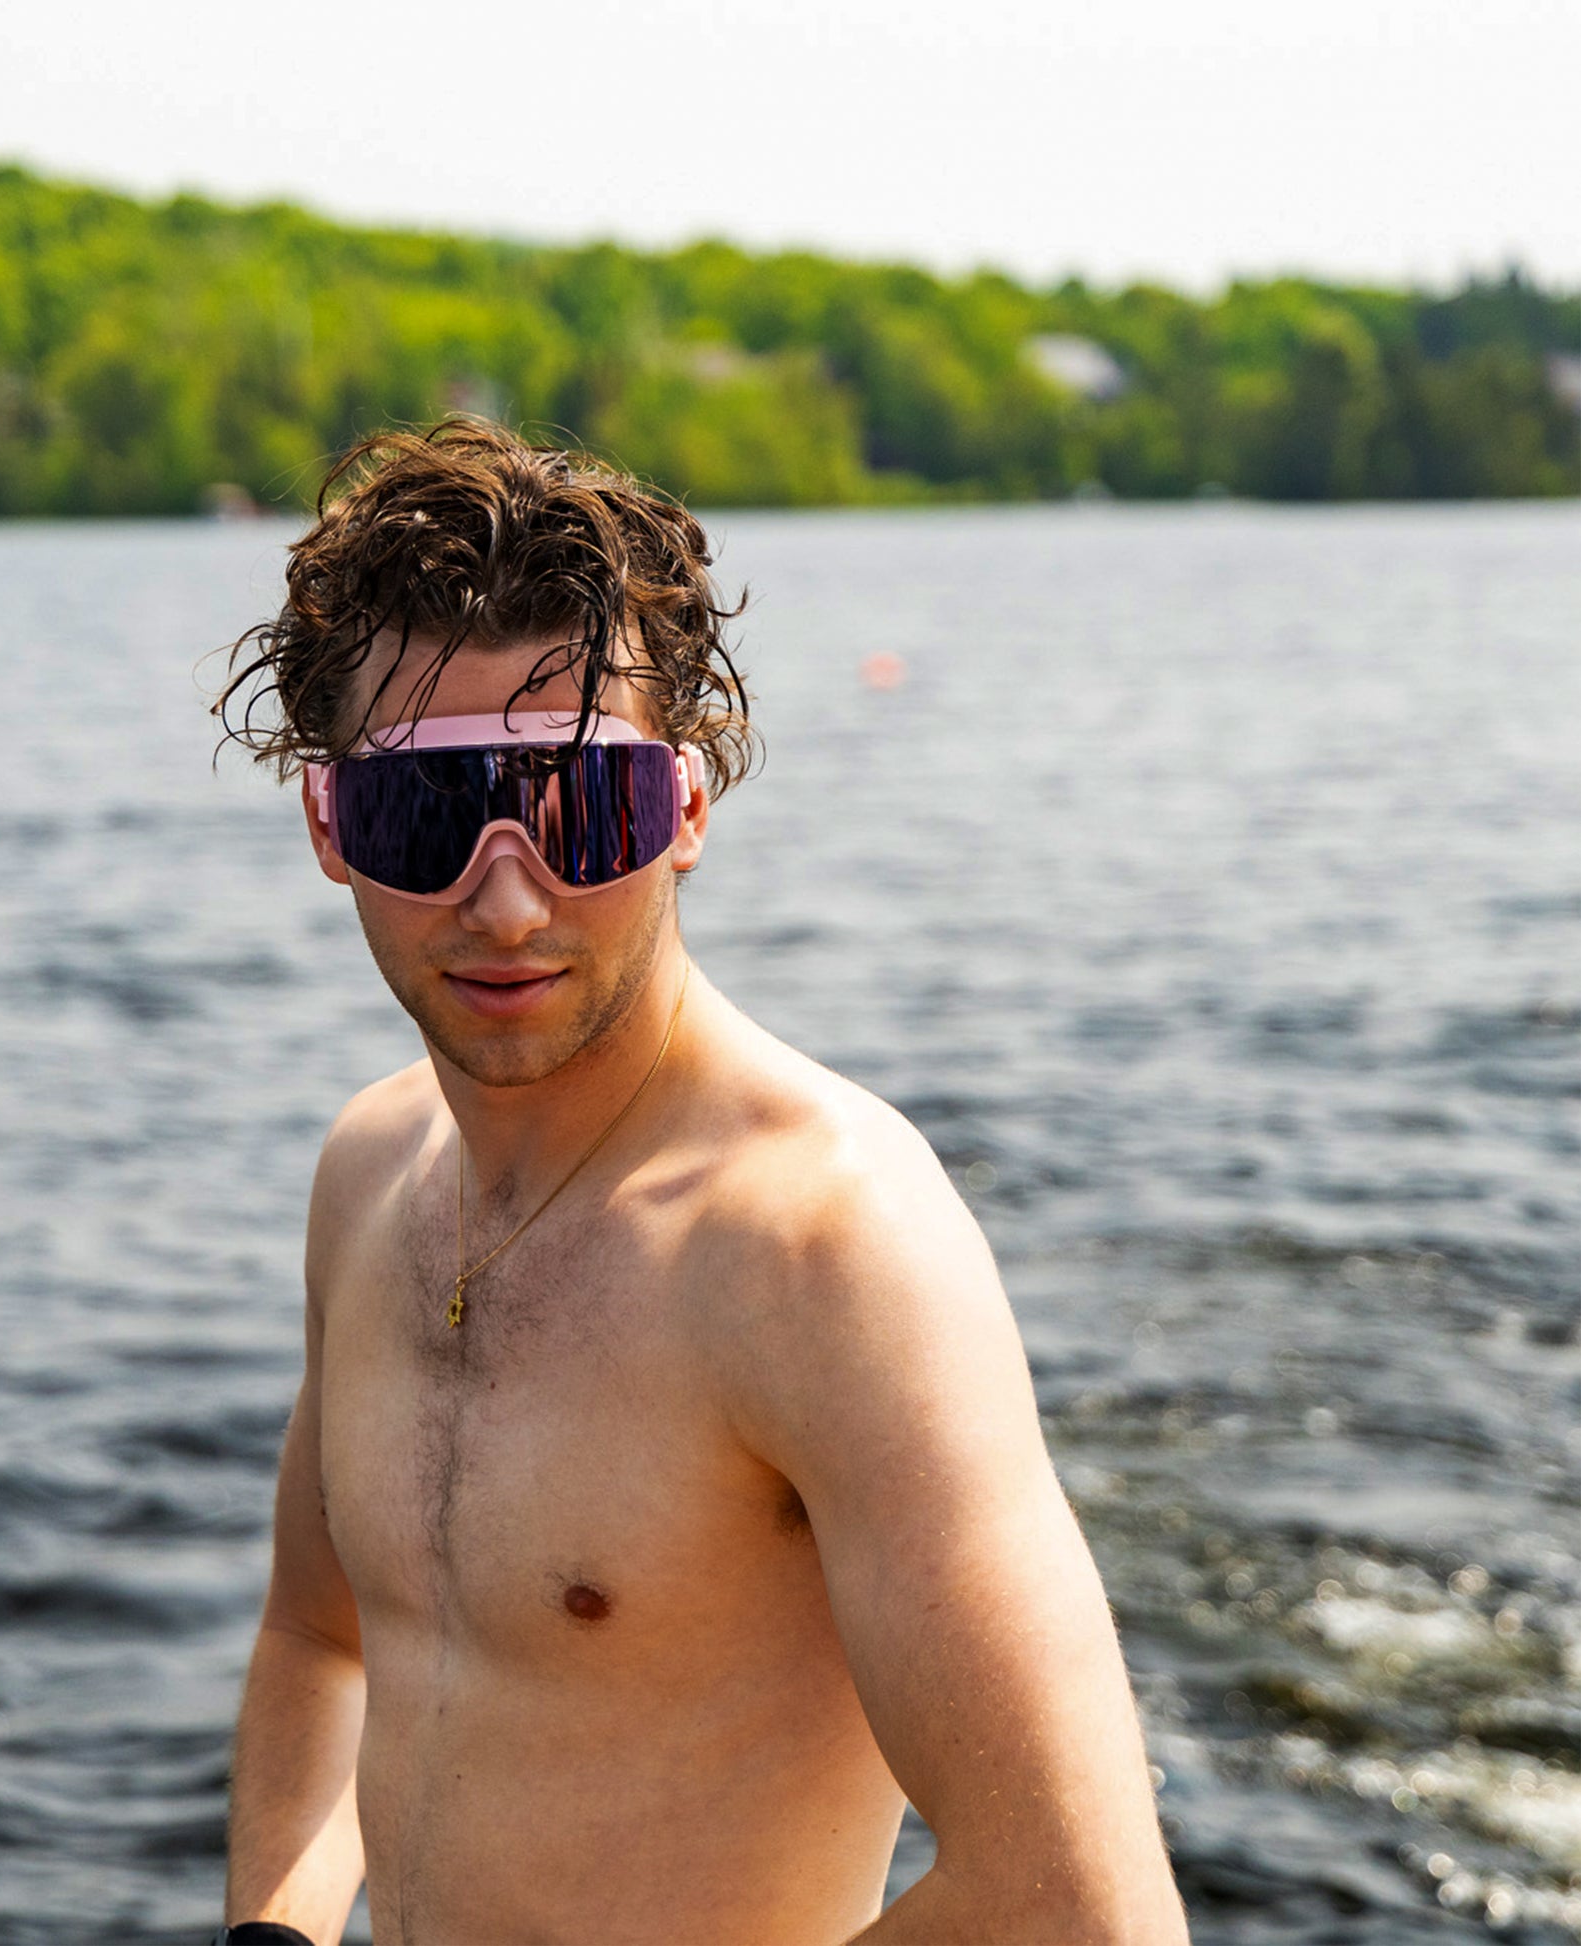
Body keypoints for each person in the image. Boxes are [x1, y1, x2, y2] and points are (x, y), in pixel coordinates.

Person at [208, 419, 1189, 1946]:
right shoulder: (369, 1170)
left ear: (685, 810)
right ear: (333, 828)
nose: (507, 894)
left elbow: (1078, 1908)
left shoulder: (821, 1247)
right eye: (424, 812)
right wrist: (271, 1924)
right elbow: (317, 1635)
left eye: (578, 806)